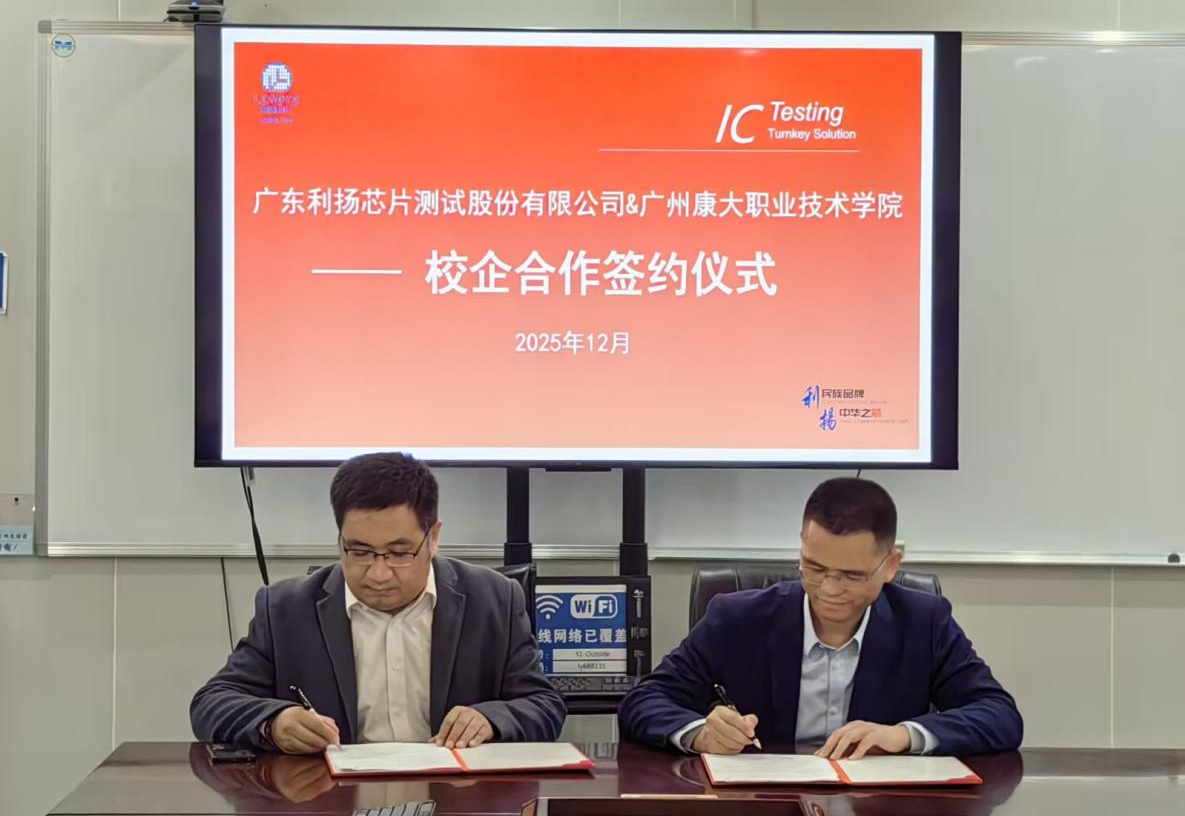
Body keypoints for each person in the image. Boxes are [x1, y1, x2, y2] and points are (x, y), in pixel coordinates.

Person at [618, 478, 1022, 757]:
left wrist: (903, 735)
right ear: (802, 545)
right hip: (765, 804)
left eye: (851, 575)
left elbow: (999, 715)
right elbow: (643, 701)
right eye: (814, 568)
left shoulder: (924, 621)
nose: (829, 588)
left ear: (890, 565)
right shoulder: (738, 618)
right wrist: (700, 734)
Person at [191, 452, 564, 753]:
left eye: (399, 553)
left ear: (433, 538)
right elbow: (212, 702)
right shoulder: (286, 609)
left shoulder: (494, 599)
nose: (378, 573)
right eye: (360, 551)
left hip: (457, 797)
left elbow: (543, 705)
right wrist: (274, 722)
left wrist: (492, 719)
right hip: (333, 799)